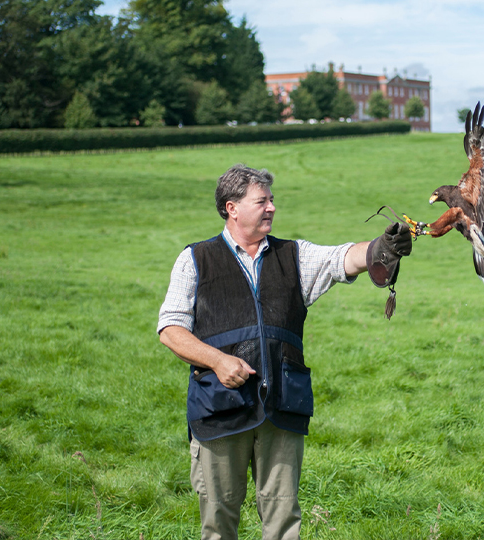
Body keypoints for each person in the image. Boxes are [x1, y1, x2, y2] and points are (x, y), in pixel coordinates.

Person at [157, 164, 411, 540]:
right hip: (220, 409)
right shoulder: (195, 259)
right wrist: (217, 360)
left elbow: (343, 258)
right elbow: (171, 330)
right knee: (218, 522)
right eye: (262, 201)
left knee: (282, 523)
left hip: (281, 408)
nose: (272, 207)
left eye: (272, 200)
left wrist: (380, 247)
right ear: (232, 208)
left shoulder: (294, 256)